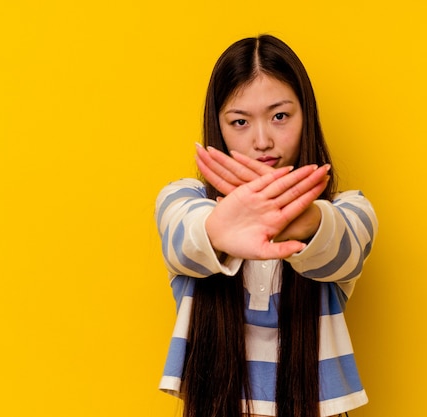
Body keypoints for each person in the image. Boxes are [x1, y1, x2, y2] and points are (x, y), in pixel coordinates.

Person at [155, 34, 378, 417]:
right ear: (218, 126)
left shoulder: (350, 210)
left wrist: (301, 221)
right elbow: (181, 234)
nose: (262, 141)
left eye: (280, 116)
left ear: (306, 115)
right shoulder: (185, 200)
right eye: (240, 121)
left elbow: (346, 242)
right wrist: (217, 230)